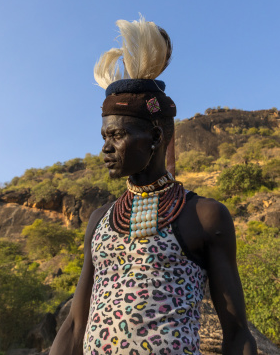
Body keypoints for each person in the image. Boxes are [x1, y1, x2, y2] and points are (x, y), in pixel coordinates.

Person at [50, 18, 257, 355]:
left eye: (117, 135)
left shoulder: (204, 216)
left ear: (155, 138)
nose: (105, 147)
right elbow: (75, 325)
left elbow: (236, 333)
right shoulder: (100, 220)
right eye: (105, 136)